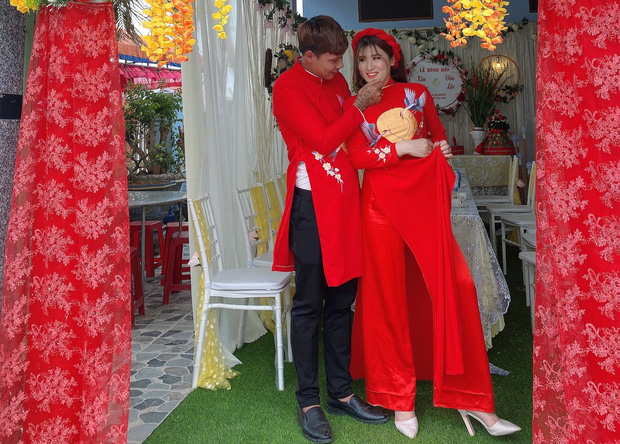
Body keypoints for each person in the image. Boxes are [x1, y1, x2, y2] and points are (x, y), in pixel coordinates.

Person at [344, 28, 522, 440]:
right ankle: (398, 397)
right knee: (387, 297)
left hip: (422, 202)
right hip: (379, 207)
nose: (369, 66)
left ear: (393, 61)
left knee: (457, 285)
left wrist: (438, 149)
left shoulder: (418, 94)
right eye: (363, 59)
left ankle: (471, 397)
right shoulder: (356, 104)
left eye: (377, 58)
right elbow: (357, 156)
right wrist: (402, 149)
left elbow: (439, 139)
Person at [271, 16, 389, 444]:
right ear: (308, 57)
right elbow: (323, 140)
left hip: (345, 201)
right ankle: (308, 401)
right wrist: (358, 105)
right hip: (312, 206)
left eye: (342, 58)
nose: (341, 66)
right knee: (309, 304)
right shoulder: (287, 88)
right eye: (333, 60)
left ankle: (340, 392)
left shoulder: (336, 80)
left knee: (342, 300)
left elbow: (353, 132)